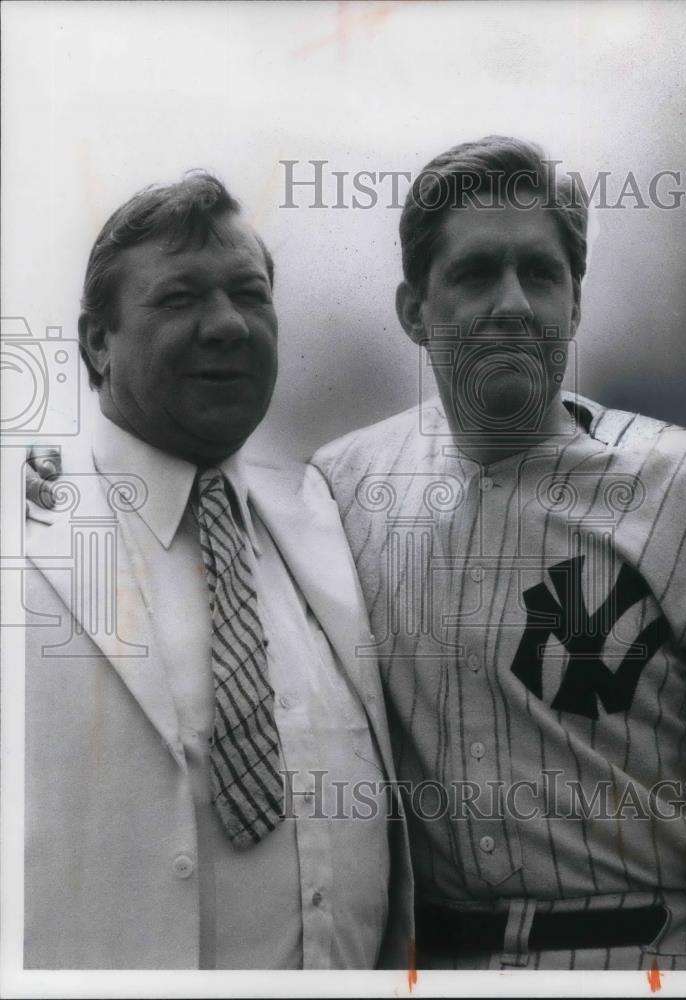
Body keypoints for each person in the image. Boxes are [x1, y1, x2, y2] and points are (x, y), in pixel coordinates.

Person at [311, 136, 686, 970]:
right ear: (415, 310)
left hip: (648, 956)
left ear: (574, 303)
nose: (512, 303)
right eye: (476, 274)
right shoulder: (339, 493)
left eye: (540, 274)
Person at [23, 173, 412, 969]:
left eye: (249, 293)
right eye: (179, 299)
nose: (228, 325)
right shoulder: (26, 536)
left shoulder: (326, 520)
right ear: (97, 341)